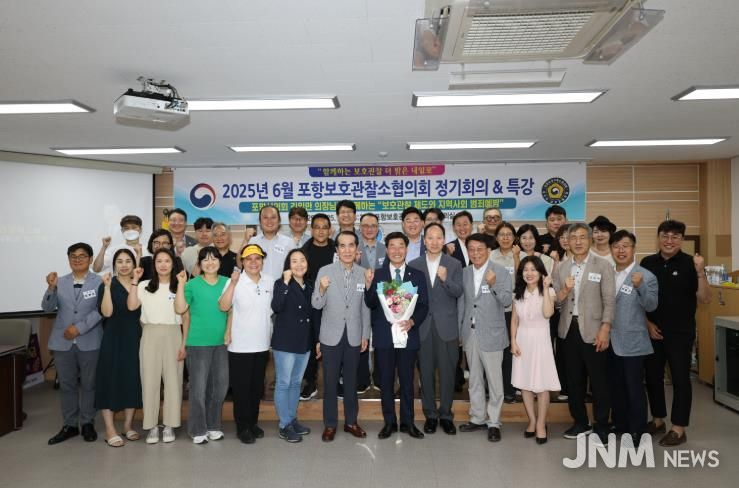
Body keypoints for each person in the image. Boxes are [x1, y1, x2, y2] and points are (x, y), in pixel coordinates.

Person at [641, 220, 711, 446]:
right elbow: (639, 298)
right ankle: (658, 420)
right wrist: (647, 324)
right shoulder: (647, 263)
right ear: (658, 238)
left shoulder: (691, 263)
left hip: (681, 332)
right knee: (653, 377)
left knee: (680, 379)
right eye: (665, 236)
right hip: (653, 331)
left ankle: (679, 428)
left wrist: (700, 272)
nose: (669, 241)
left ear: (682, 239)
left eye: (675, 236)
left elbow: (705, 298)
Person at [553, 223, 615, 445]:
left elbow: (609, 300)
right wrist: (564, 291)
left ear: (590, 240)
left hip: (595, 330)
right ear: (567, 241)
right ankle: (580, 422)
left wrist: (605, 328)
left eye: (582, 237)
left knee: (599, 382)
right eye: (573, 238)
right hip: (568, 330)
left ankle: (602, 425)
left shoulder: (603, 265)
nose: (578, 242)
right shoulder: (561, 267)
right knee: (574, 381)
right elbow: (556, 300)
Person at [365, 232, 429, 439]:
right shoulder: (377, 274)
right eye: (392, 246)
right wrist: (369, 285)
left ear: (406, 249)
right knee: (386, 381)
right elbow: (370, 303)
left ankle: (408, 423)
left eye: (401, 246)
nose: (397, 250)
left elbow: (423, 305)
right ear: (387, 250)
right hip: (384, 336)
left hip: (407, 334)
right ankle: (389, 422)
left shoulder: (417, 275)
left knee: (407, 381)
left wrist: (412, 321)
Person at [311, 231, 371, 442]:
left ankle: (351, 422)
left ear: (356, 249)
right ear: (337, 249)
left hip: (354, 335)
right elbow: (316, 304)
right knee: (329, 383)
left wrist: (365, 334)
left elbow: (365, 308)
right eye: (342, 246)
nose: (347, 250)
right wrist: (321, 289)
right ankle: (330, 424)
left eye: (351, 245)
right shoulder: (325, 271)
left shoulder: (363, 273)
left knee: (351, 383)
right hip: (330, 336)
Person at [43, 243, 103, 445]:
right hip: (63, 342)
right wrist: (51, 287)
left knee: (89, 384)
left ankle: (87, 423)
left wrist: (79, 328)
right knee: (67, 385)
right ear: (68, 259)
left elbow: (101, 310)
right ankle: (69, 425)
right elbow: (47, 308)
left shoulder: (99, 281)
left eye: (82, 256)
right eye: (73, 256)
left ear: (90, 259)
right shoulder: (59, 281)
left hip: (90, 340)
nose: (77, 259)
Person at [409, 222, 464, 435]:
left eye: (438, 237)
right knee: (426, 374)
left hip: (447, 327)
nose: (434, 242)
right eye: (430, 238)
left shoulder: (454, 264)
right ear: (424, 241)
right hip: (422, 327)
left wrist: (445, 279)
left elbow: (458, 292)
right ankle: (430, 415)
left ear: (444, 240)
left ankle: (446, 415)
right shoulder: (414, 264)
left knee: (448, 374)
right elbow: (410, 298)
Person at [458, 233, 513, 442]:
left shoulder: (500, 271)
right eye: (471, 249)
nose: (475, 253)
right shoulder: (464, 272)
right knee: (474, 379)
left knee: (494, 381)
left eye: (480, 249)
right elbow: (463, 304)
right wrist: (460, 331)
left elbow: (507, 300)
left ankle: (494, 422)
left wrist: (494, 284)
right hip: (470, 333)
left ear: (488, 250)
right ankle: (477, 417)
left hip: (492, 333)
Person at [127, 248, 183, 444]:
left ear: (173, 264)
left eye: (167, 260)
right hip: (150, 333)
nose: (163, 264)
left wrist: (184, 344)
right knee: (149, 381)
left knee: (173, 381)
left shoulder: (179, 286)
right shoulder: (144, 285)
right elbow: (131, 306)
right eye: (159, 261)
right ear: (154, 264)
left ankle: (169, 425)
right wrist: (135, 280)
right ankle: (151, 426)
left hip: (173, 333)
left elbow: (184, 314)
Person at [219, 244, 274, 444]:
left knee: (256, 388)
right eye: (248, 259)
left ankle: (252, 423)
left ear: (262, 261)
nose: (253, 262)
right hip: (240, 346)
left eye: (257, 258)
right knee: (242, 390)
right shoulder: (235, 281)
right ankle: (242, 427)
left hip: (262, 343)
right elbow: (223, 306)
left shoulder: (269, 281)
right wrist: (233, 284)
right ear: (242, 261)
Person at [174, 246, 230, 445]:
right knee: (198, 389)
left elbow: (232, 310)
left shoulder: (227, 282)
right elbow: (180, 308)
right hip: (197, 343)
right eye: (205, 259)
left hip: (221, 343)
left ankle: (213, 425)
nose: (210, 263)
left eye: (214, 259)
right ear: (199, 263)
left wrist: (228, 331)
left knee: (220, 386)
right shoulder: (192, 284)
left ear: (220, 262)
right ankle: (197, 428)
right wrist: (181, 284)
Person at [608, 230, 658, 443]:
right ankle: (619, 423)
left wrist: (641, 287)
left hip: (633, 342)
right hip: (609, 340)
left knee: (634, 387)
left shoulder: (646, 276)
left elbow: (651, 305)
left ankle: (638, 429)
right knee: (615, 386)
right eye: (616, 246)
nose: (621, 250)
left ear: (633, 249)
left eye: (625, 246)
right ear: (611, 249)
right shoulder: (607, 273)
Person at [94, 249, 142, 447]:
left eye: (128, 261)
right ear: (114, 265)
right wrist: (106, 288)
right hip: (113, 337)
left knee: (132, 379)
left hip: (135, 337)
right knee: (109, 380)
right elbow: (107, 312)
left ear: (134, 264)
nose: (124, 265)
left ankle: (128, 425)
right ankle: (110, 429)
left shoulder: (140, 284)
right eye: (119, 261)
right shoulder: (107, 284)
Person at [510, 256, 560, 445]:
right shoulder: (518, 293)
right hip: (522, 340)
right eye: (525, 270)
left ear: (541, 272)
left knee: (541, 385)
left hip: (541, 341)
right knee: (524, 384)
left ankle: (541, 424)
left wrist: (546, 289)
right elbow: (514, 320)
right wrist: (513, 341)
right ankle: (532, 420)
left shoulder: (549, 291)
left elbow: (548, 313)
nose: (529, 273)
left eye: (533, 269)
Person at [271, 249, 319, 442]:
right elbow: (276, 306)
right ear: (288, 265)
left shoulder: (310, 285)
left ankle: (292, 419)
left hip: (304, 341)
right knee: (284, 383)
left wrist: (316, 340)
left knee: (296, 383)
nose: (299, 264)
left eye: (302, 260)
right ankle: (284, 425)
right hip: (285, 341)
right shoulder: (281, 283)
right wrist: (285, 282)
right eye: (294, 261)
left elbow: (315, 314)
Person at [299, 213, 335, 400]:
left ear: (330, 230)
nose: (321, 231)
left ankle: (336, 382)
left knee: (335, 342)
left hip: (335, 303)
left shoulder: (337, 249)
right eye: (317, 227)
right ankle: (310, 382)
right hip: (311, 303)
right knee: (311, 342)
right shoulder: (303, 252)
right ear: (311, 229)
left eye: (324, 227)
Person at [489, 222, 519, 403]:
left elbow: (523, 280)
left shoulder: (521, 255)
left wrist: (516, 258)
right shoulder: (490, 255)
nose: (505, 237)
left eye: (509, 234)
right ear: (496, 237)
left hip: (513, 311)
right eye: (502, 234)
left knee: (510, 351)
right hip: (493, 310)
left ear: (514, 237)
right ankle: (493, 389)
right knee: (493, 351)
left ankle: (509, 389)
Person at [356, 212, 385, 392]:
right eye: (365, 226)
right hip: (359, 299)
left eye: (373, 226)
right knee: (361, 338)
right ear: (360, 228)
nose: (369, 229)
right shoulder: (353, 248)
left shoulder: (386, 249)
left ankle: (381, 378)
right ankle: (362, 378)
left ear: (378, 228)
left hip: (382, 301)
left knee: (381, 339)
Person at [250, 205, 296, 280]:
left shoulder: (289, 242)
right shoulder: (253, 242)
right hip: (259, 285)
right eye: (265, 217)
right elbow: (242, 265)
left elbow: (296, 267)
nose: (269, 221)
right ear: (260, 221)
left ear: (279, 221)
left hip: (283, 285)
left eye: (273, 217)